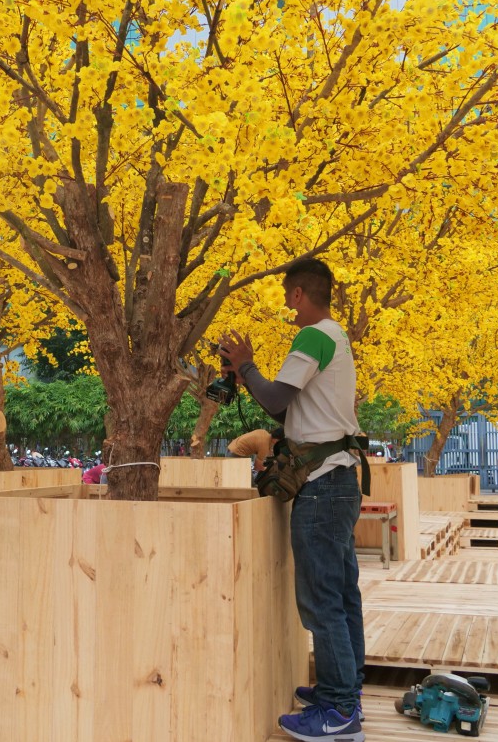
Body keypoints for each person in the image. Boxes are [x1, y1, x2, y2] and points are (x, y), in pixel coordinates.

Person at [219, 258, 366, 742]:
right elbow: (292, 408)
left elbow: (277, 400)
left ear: (301, 293)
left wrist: (245, 364)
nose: (285, 303)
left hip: (322, 487)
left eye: (288, 295)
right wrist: (247, 375)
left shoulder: (314, 335)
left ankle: (340, 712)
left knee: (321, 601)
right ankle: (343, 692)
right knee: (342, 597)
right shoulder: (336, 337)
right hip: (339, 481)